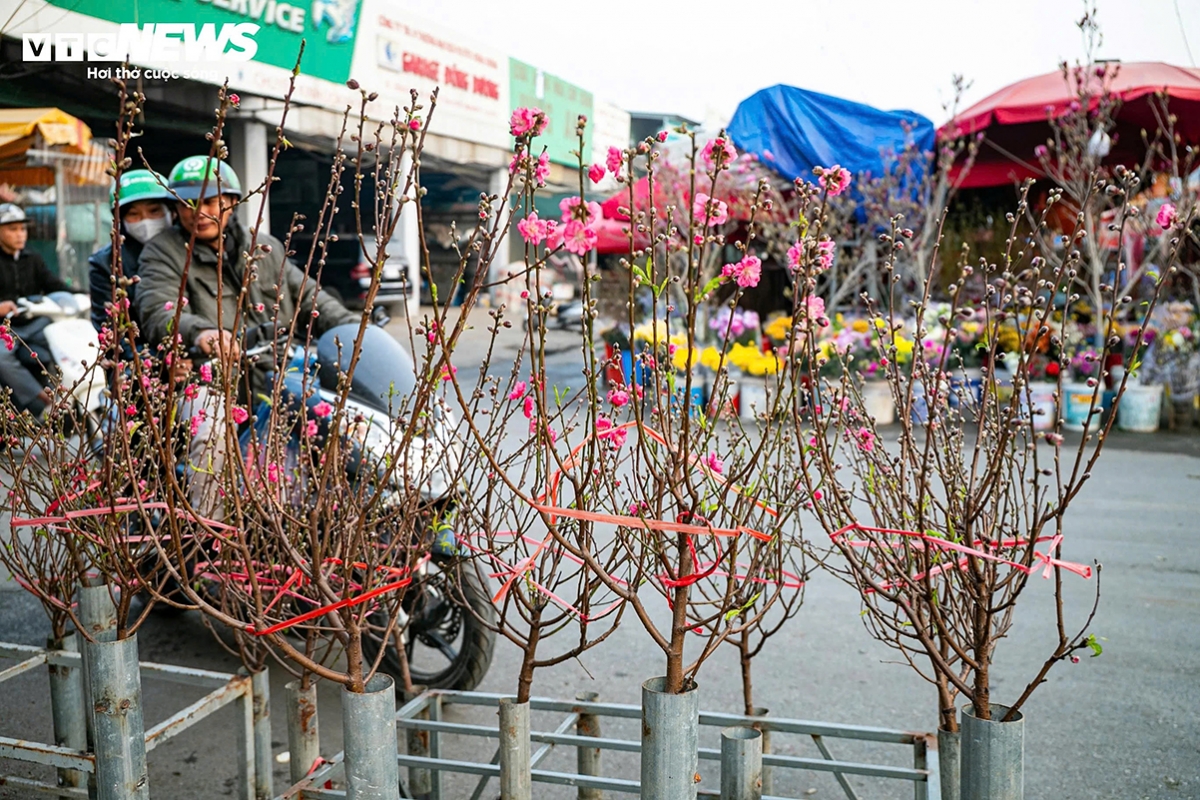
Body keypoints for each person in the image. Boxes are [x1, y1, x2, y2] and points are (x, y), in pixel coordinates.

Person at [135, 156, 357, 515]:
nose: (199, 210)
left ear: (231, 203)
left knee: (349, 428)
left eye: (210, 201)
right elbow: (157, 306)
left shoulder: (265, 249)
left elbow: (311, 299)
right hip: (208, 382)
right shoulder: (162, 251)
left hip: (279, 378)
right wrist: (202, 332)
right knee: (210, 437)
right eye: (189, 202)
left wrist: (355, 332)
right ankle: (208, 543)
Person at [0, 202, 71, 417]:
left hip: (36, 324)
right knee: (1, 357)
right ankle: (42, 398)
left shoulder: (33, 259)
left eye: (22, 229)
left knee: (66, 340)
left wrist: (82, 294)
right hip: (6, 329)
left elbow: (54, 284)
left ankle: (73, 392)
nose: (20, 235)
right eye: (12, 229)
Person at [88, 169, 175, 335]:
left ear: (171, 212)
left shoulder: (188, 248)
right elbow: (110, 328)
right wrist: (146, 358)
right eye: (134, 214)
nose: (145, 221)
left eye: (154, 211)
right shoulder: (106, 263)